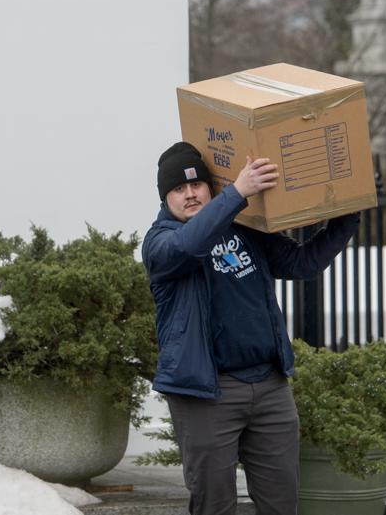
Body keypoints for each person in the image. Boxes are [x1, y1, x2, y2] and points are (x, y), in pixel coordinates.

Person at [142, 141, 360, 515]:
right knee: (215, 505)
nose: (190, 194)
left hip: (270, 387)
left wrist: (348, 215)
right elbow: (189, 246)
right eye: (178, 189)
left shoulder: (244, 229)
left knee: (282, 503)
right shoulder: (160, 244)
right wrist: (237, 193)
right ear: (166, 198)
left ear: (208, 186)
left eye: (196, 185)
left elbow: (302, 263)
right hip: (206, 393)